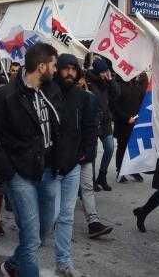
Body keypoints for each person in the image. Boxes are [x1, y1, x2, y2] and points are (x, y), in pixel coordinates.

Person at [0, 43, 63, 277]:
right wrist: (9, 172)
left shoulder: (52, 90)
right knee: (30, 233)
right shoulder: (4, 95)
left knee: (43, 230)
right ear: (42, 66)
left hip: (48, 172)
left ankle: (12, 265)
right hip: (20, 175)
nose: (56, 70)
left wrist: (62, 161)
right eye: (54, 65)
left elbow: (59, 128)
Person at [51, 54, 97, 276]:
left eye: (73, 69)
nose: (69, 72)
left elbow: (90, 129)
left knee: (66, 216)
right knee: (49, 216)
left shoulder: (83, 97)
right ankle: (22, 255)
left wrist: (84, 156)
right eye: (65, 68)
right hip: (48, 167)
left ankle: (64, 262)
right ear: (57, 69)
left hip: (72, 167)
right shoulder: (47, 92)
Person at [76, 74, 114, 239]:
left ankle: (93, 223)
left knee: (88, 187)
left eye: (80, 79)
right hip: (67, 154)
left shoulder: (91, 98)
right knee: (62, 192)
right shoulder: (59, 97)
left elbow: (93, 125)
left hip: (84, 152)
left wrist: (89, 151)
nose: (78, 82)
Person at [86, 58, 119, 192]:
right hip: (93, 121)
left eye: (107, 71)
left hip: (105, 121)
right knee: (92, 154)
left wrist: (111, 80)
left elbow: (117, 94)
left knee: (110, 148)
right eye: (103, 72)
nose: (106, 74)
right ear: (97, 72)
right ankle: (92, 180)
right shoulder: (89, 81)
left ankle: (102, 176)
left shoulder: (107, 81)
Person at [112, 72, 147, 183]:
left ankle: (133, 169)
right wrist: (126, 118)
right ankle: (120, 171)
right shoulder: (118, 85)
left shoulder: (136, 84)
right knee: (122, 147)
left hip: (135, 122)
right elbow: (114, 106)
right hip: (123, 123)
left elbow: (142, 100)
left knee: (134, 147)